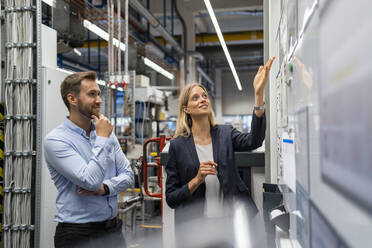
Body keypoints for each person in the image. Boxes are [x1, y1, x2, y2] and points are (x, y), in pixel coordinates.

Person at [165, 57, 275, 246]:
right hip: (196, 227)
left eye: (204, 95)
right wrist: (196, 180)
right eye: (195, 97)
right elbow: (171, 198)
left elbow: (254, 140)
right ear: (186, 109)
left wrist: (258, 95)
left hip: (229, 224)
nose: (202, 99)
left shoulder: (225, 133)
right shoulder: (178, 145)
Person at [44, 71, 134, 248]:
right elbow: (90, 181)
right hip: (78, 235)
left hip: (113, 230)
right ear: (73, 99)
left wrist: (105, 188)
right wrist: (102, 138)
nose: (99, 100)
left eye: (98, 94)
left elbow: (128, 176)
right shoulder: (56, 140)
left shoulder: (106, 133)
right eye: (92, 94)